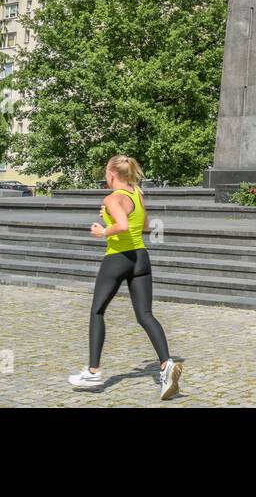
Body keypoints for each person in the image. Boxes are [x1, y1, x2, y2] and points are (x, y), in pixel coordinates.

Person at [68, 155, 182, 400]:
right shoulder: (137, 195)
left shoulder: (113, 197)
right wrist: (109, 215)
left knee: (97, 311)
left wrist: (102, 230)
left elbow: (121, 225)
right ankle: (166, 365)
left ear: (111, 174)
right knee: (145, 315)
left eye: (105, 175)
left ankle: (93, 371)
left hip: (118, 258)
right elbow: (144, 226)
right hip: (141, 257)